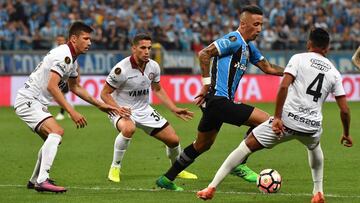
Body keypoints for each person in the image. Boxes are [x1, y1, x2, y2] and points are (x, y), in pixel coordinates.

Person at [196, 28, 353, 203]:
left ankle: (211, 187)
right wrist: (346, 133)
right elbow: (345, 110)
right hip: (312, 126)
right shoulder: (334, 72)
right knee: (315, 148)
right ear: (327, 48)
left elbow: (284, 86)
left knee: (245, 147)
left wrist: (277, 117)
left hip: (287, 123)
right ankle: (318, 192)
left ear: (309, 44)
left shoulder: (298, 59)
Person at [155, 5, 284, 191]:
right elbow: (204, 54)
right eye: (256, 24)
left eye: (261, 25)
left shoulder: (249, 47)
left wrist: (291, 73)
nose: (260, 29)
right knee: (267, 122)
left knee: (202, 144)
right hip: (218, 100)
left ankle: (167, 179)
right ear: (243, 23)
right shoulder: (233, 39)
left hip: (216, 104)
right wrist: (206, 84)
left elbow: (269, 68)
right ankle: (239, 163)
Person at [14, 21, 120, 193]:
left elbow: (75, 87)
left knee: (52, 138)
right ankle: (42, 180)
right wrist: (71, 111)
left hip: (34, 101)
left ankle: (34, 180)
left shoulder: (72, 61)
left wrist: (100, 105)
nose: (89, 42)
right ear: (73, 39)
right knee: (57, 132)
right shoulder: (64, 56)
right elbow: (52, 86)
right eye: (85, 38)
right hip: (29, 100)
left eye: (90, 39)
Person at [100, 33, 198, 183]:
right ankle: (115, 167)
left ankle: (176, 170)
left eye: (149, 48)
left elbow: (157, 89)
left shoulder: (153, 66)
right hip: (122, 109)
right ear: (134, 48)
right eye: (143, 48)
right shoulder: (121, 69)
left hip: (144, 109)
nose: (147, 51)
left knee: (173, 140)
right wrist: (117, 108)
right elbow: (104, 94)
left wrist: (173, 108)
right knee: (128, 129)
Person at [52, 35, 70, 121]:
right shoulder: (54, 51)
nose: (60, 42)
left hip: (63, 77)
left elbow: (75, 65)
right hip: (55, 76)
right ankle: (69, 109)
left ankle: (62, 113)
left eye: (62, 40)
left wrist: (78, 75)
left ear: (65, 41)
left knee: (60, 95)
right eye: (58, 40)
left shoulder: (68, 52)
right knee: (59, 95)